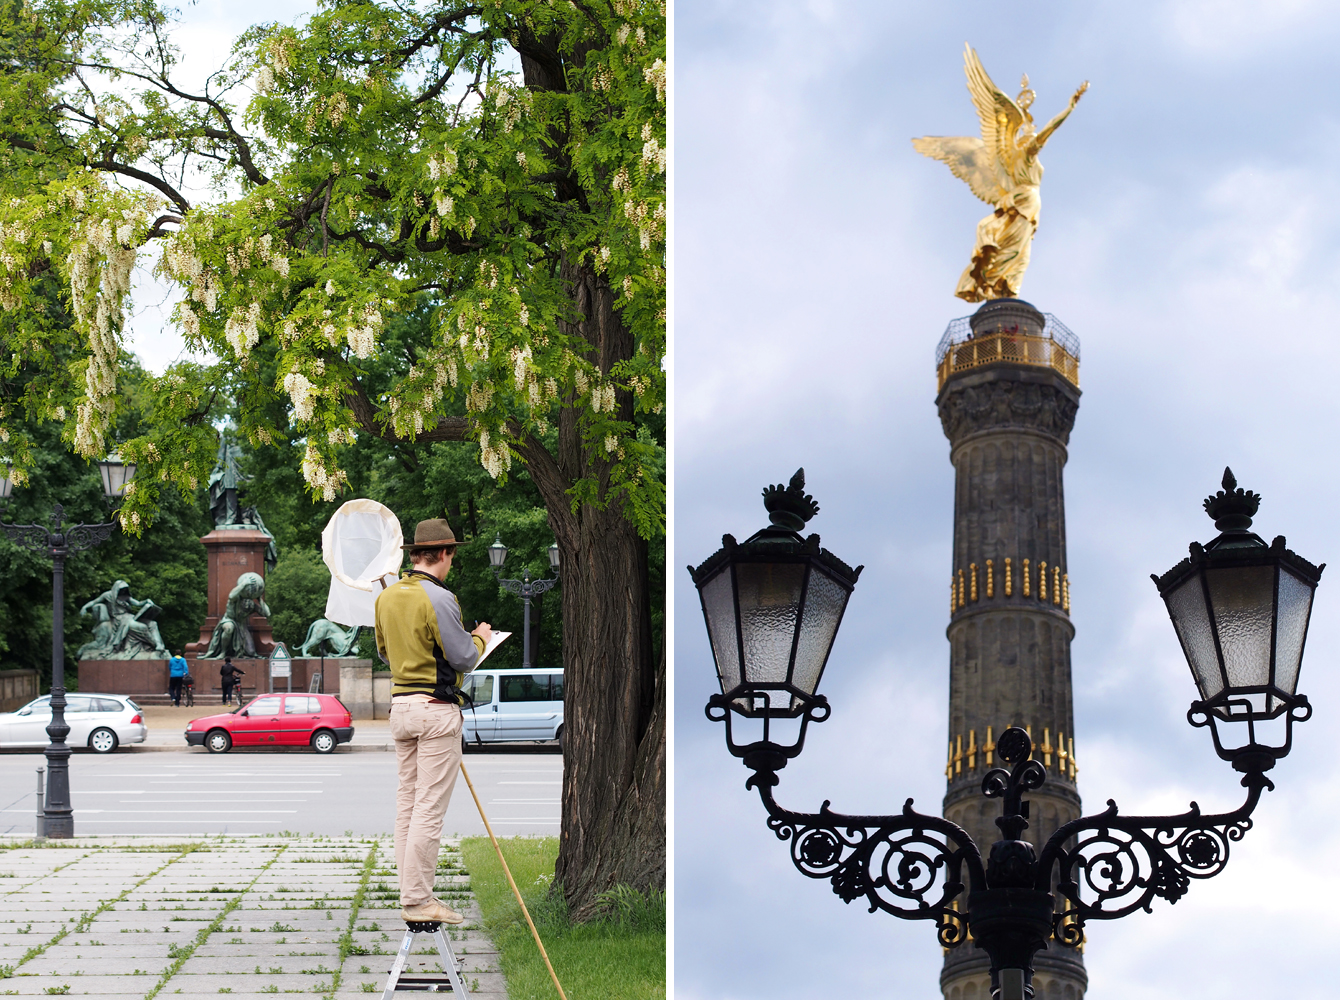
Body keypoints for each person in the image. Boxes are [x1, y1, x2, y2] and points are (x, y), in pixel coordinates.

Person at [375, 519, 491, 925]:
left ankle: (411, 895)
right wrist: (481, 636)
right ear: (444, 553)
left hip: (401, 709)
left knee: (407, 803)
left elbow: (388, 656)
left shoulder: (387, 598)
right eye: (452, 554)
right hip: (435, 710)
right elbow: (464, 659)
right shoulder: (439, 597)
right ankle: (419, 899)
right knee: (428, 808)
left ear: (414, 554)